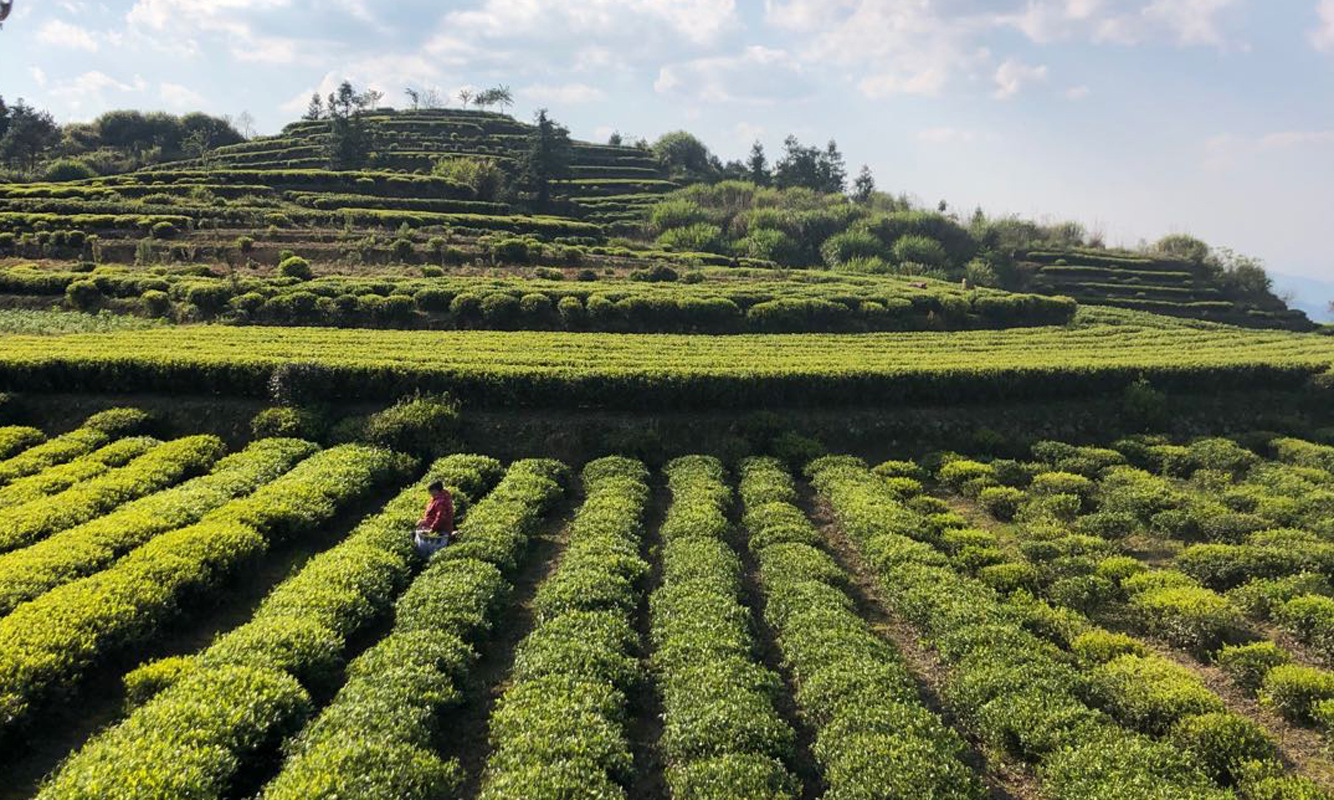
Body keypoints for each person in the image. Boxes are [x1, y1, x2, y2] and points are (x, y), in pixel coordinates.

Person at [414, 481, 454, 556]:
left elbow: (440, 518)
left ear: (436, 490)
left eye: (431, 492)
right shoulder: (441, 497)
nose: (430, 494)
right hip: (440, 526)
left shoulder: (441, 502)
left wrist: (432, 529)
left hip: (441, 529)